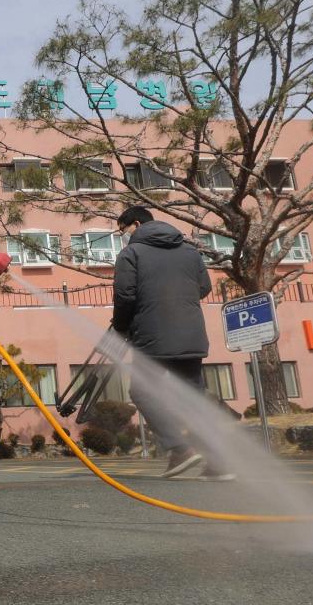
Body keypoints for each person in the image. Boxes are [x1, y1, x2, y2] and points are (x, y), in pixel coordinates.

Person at [111, 206, 230, 480]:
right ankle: (218, 462)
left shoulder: (131, 254)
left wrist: (121, 326)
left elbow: (125, 296)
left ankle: (179, 449)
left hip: (151, 336)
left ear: (136, 224)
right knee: (191, 396)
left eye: (123, 229)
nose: (123, 236)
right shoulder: (190, 251)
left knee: (141, 392)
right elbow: (204, 288)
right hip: (191, 336)